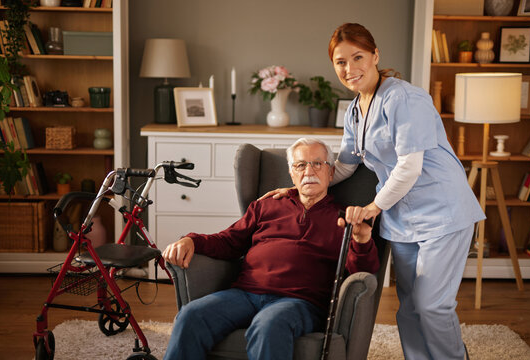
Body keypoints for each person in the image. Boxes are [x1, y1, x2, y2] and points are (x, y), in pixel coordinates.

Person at [262, 23, 485, 360]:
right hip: (404, 219)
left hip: (443, 212)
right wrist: (299, 184)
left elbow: (409, 165)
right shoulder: (354, 110)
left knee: (432, 306)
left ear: (375, 55)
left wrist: (373, 207)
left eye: (358, 57)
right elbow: (347, 165)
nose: (349, 69)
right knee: (409, 308)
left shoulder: (405, 99)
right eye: (340, 62)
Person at [161, 137, 380, 360]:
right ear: (292, 173)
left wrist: (362, 238)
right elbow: (229, 241)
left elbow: (362, 271)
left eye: (317, 163)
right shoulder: (266, 205)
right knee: (190, 316)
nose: (309, 171)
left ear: (331, 173)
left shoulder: (344, 217)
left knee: (268, 325)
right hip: (245, 293)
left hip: (300, 302)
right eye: (301, 165)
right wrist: (192, 240)